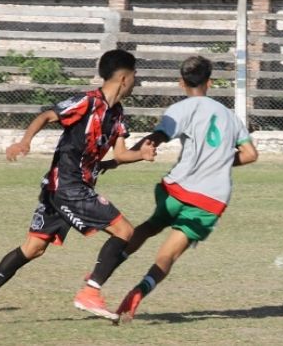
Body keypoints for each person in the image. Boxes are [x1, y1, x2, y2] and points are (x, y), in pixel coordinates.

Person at [0, 49, 157, 324]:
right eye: (135, 75)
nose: (136, 81)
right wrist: (25, 141)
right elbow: (46, 116)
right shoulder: (87, 102)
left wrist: (142, 155)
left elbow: (121, 154)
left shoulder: (117, 114)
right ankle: (91, 292)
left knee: (34, 247)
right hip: (67, 185)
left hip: (63, 188)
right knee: (124, 231)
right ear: (124, 78)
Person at [103, 56, 258, 323]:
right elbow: (250, 154)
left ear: (181, 82)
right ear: (210, 82)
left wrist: (122, 158)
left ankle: (105, 270)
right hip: (211, 200)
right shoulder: (230, 117)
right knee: (168, 255)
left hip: (177, 189)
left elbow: (156, 139)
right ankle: (140, 290)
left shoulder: (180, 109)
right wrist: (220, 161)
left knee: (149, 227)